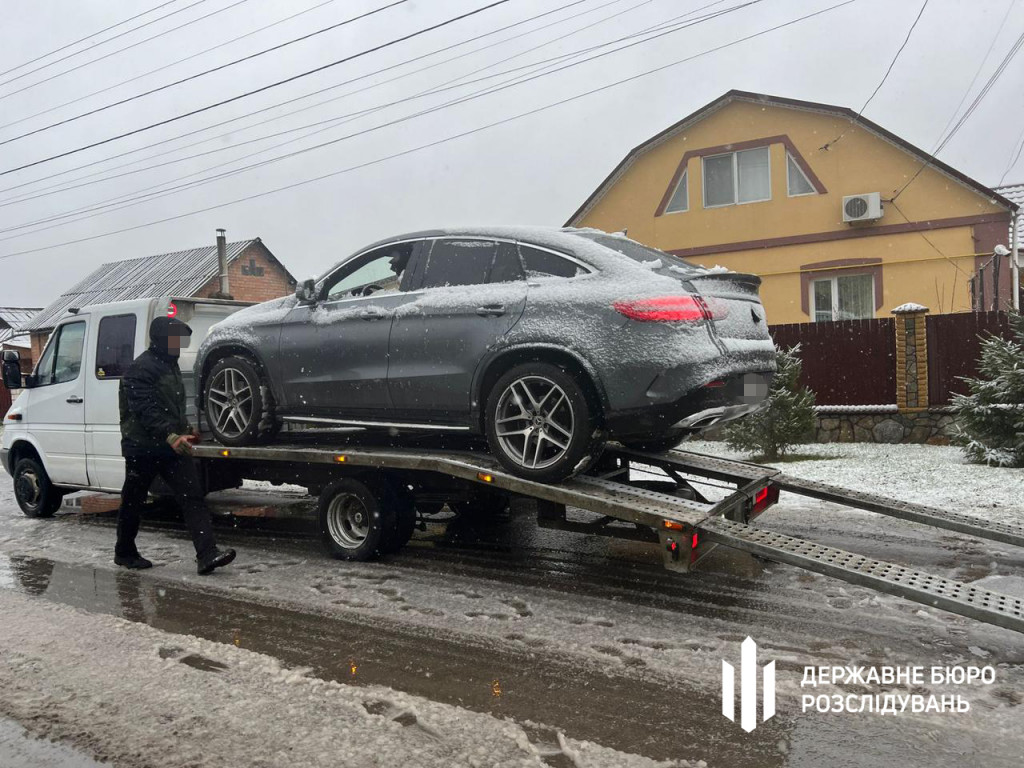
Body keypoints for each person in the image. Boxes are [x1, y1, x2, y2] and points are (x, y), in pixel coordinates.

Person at [115, 316, 236, 575]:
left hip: (170, 447)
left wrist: (185, 429)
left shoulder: (170, 365)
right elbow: (145, 410)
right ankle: (124, 552)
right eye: (174, 340)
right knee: (133, 502)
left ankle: (207, 554)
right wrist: (170, 436)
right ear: (160, 340)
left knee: (193, 496)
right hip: (142, 448)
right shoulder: (141, 368)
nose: (178, 345)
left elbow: (170, 406)